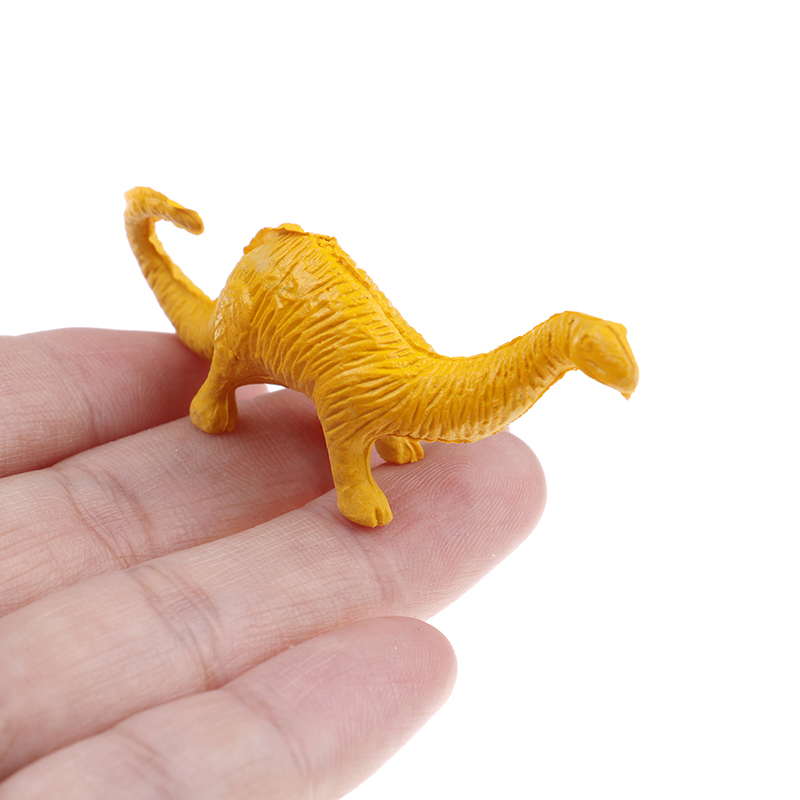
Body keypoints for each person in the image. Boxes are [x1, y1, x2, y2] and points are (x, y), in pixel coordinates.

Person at [0, 328, 545, 799]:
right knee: (242, 361)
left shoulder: (401, 379)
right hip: (263, 317)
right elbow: (340, 409)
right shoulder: (373, 385)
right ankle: (218, 388)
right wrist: (354, 481)